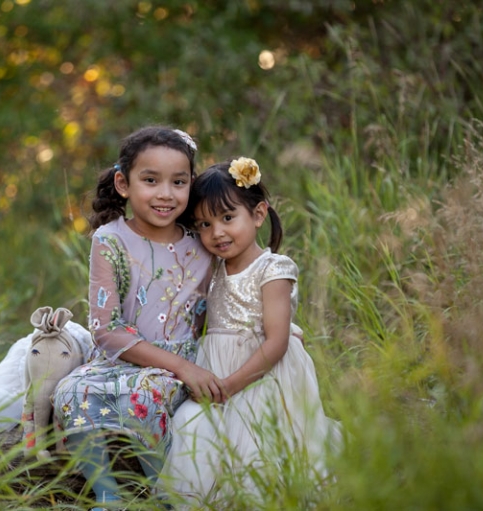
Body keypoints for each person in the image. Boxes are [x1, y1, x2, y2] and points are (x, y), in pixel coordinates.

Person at [51, 126, 227, 510]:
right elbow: (106, 331)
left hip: (176, 368)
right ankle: (107, 492)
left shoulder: (202, 242)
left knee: (146, 395)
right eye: (151, 180)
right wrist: (180, 365)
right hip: (119, 359)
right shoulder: (110, 240)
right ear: (123, 183)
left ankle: (161, 491)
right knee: (69, 392)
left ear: (191, 185)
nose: (165, 193)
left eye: (178, 182)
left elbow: (224, 301)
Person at [158, 157, 341, 506]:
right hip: (218, 373)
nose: (217, 233)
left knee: (258, 449)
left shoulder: (272, 268)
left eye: (228, 218)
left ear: (258, 215)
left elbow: (276, 341)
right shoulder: (211, 271)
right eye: (204, 225)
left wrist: (230, 385)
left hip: (262, 377)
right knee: (191, 426)